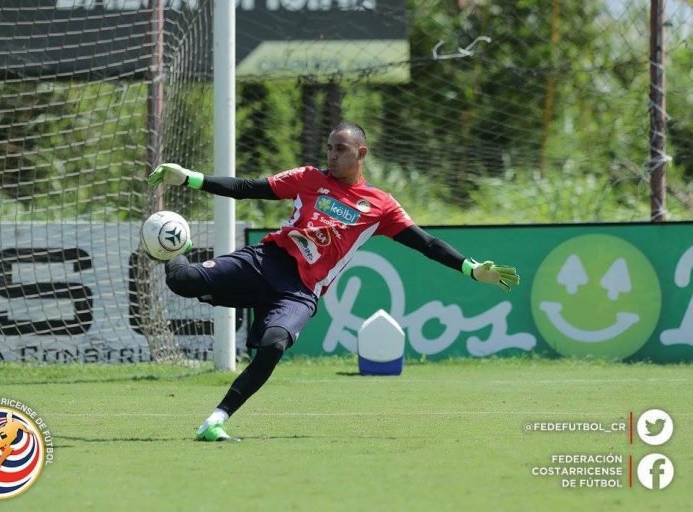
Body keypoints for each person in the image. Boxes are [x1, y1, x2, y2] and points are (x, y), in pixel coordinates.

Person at [147, 121, 519, 442]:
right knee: (181, 280)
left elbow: (428, 244)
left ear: (361, 153)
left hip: (300, 292)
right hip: (266, 261)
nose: (332, 155)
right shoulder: (309, 179)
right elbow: (247, 187)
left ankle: (216, 420)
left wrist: (471, 268)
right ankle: (175, 243)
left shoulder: (380, 205)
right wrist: (190, 178)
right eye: (329, 148)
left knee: (274, 344)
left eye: (340, 149)